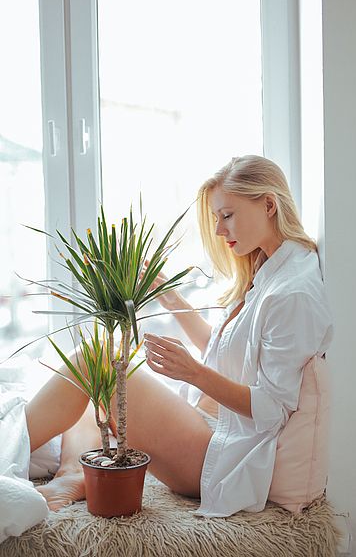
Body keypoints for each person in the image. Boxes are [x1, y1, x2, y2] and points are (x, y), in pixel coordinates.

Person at [24, 155, 333, 516]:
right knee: (98, 383)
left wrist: (193, 372)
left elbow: (273, 410)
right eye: (217, 218)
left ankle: (7, 450)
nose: (219, 230)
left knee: (99, 359)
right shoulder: (269, 268)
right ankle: (73, 472)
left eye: (227, 215)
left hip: (217, 450)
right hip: (205, 424)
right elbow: (228, 355)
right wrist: (170, 298)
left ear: (268, 204)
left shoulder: (292, 293)